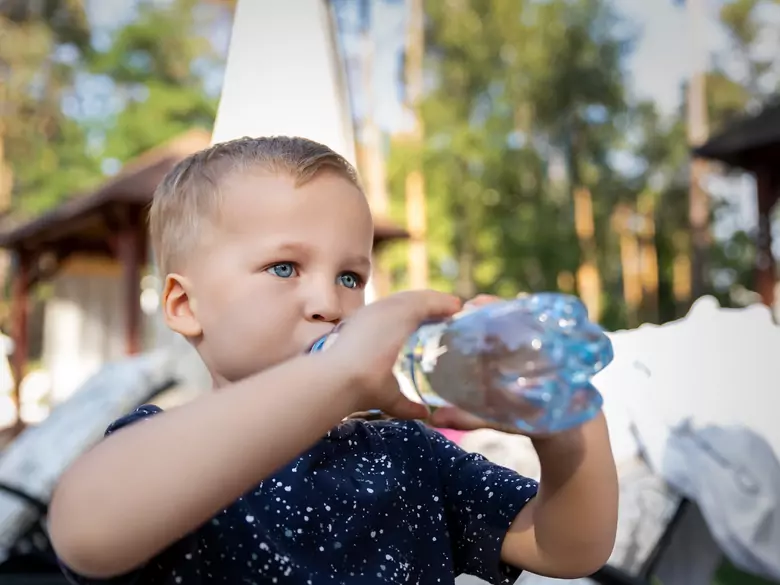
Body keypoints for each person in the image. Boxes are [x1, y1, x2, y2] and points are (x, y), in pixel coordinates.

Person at [48, 136, 618, 585]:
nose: (329, 303)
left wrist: (568, 423)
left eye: (351, 277)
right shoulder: (166, 450)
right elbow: (84, 529)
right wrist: (334, 375)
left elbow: (569, 548)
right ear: (184, 304)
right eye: (284, 268)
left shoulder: (406, 451)